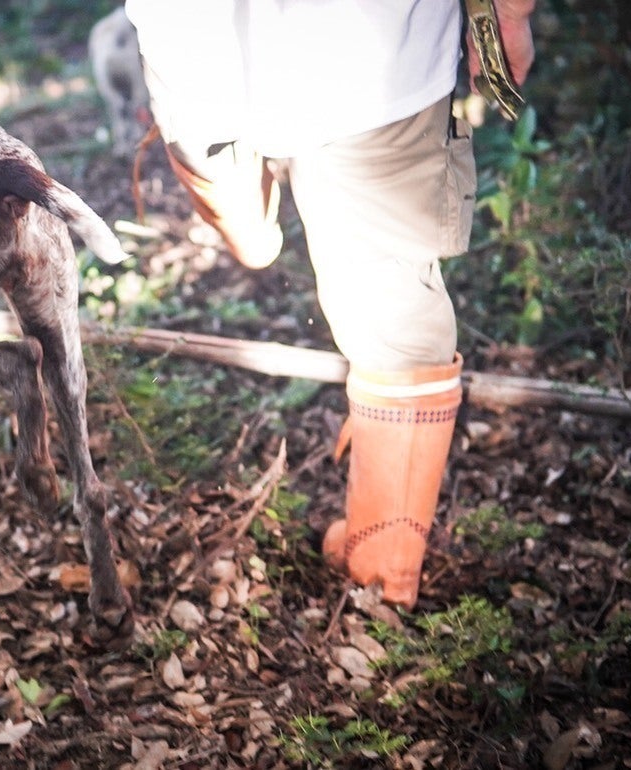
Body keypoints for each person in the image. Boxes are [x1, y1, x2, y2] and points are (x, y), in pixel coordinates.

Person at [123, 0, 535, 608]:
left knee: (386, 307)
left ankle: (383, 570)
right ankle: (383, 557)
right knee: (334, 274)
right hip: (343, 64)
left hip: (301, 69)